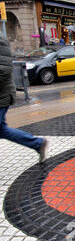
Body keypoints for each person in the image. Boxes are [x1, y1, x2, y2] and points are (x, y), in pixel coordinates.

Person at [0, 33, 48, 163]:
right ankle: (37, 143)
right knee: (2, 130)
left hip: (2, 95)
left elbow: (3, 70)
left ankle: (38, 143)